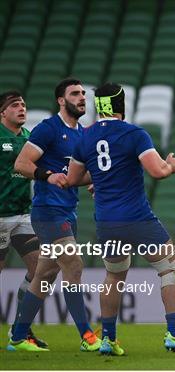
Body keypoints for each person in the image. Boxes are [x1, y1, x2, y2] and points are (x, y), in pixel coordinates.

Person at [66, 82, 175, 356]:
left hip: (106, 221)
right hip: (138, 218)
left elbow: (72, 179)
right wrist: (172, 166)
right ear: (121, 104)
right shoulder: (134, 134)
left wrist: (102, 178)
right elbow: (157, 171)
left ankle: (108, 339)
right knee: (170, 267)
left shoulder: (85, 138)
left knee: (114, 276)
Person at [10, 78, 101, 352]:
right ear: (61, 100)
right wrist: (47, 175)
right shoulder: (48, 129)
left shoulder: (83, 134)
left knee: (45, 275)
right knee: (73, 264)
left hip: (67, 211)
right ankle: (86, 335)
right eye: (75, 93)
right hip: (47, 211)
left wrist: (94, 181)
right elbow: (22, 163)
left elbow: (76, 176)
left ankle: (18, 335)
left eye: (83, 93)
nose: (82, 98)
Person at [0, 91, 47, 348]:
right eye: (14, 105)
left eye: (23, 105)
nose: (21, 108)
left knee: (41, 268)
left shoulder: (30, 139)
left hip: (22, 216)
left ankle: (20, 330)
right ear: (2, 112)